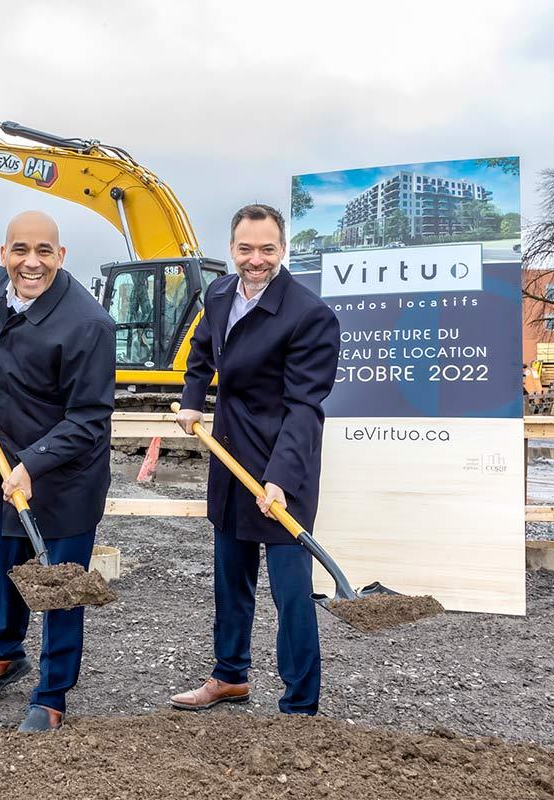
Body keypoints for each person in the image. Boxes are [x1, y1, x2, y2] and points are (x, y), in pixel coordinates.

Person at [0, 210, 116, 732]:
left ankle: (52, 694)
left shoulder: (89, 325)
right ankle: (4, 656)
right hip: (11, 457)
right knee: (10, 566)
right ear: (3, 255)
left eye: (44, 251)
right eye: (20, 250)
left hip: (68, 475)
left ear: (61, 257)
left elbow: (89, 418)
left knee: (60, 589)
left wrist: (34, 465)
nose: (31, 262)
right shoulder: (1, 285)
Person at [170, 203, 339, 716]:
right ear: (232, 249)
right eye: (246, 249)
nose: (256, 259)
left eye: (267, 249)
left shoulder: (309, 315)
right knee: (231, 579)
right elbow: (200, 351)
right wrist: (194, 399)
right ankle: (229, 677)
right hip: (230, 457)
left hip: (284, 464)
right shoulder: (219, 294)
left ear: (282, 250)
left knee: (291, 593)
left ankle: (300, 704)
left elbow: (306, 407)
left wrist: (282, 479)